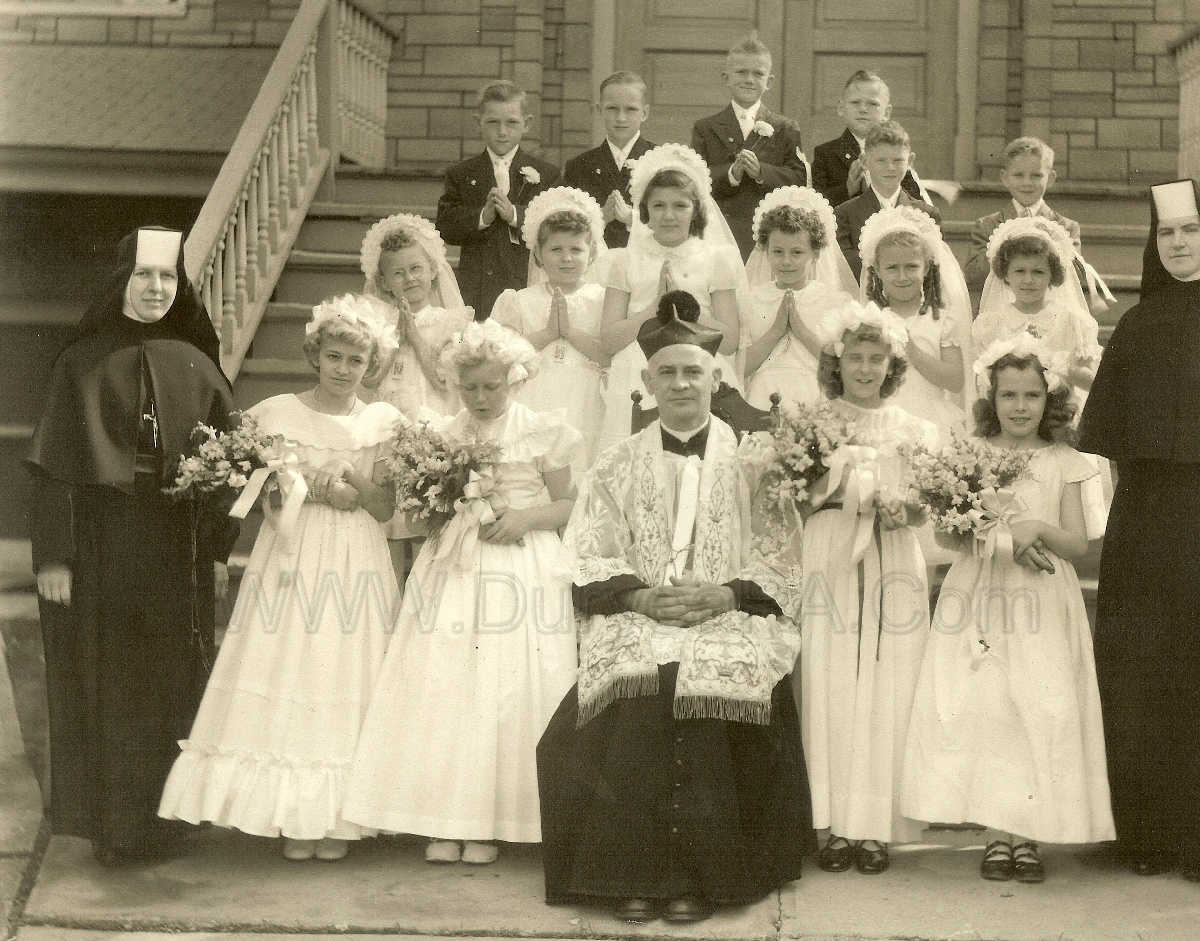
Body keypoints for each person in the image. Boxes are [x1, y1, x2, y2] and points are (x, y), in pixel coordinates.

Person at [537, 304, 812, 924]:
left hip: (730, 612)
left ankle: (698, 877)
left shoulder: (756, 462)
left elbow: (780, 552)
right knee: (642, 687)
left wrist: (725, 594)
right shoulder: (615, 463)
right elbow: (589, 549)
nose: (682, 384)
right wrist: (636, 596)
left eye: (694, 372)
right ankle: (629, 875)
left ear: (717, 380)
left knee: (708, 685)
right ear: (647, 384)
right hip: (639, 611)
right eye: (668, 373)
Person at [158, 294, 402, 863]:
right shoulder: (274, 413)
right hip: (292, 553)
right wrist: (295, 486)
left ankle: (341, 816)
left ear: (372, 367)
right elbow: (254, 493)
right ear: (315, 355)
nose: (344, 370)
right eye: (335, 356)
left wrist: (353, 490)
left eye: (356, 362)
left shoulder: (382, 422)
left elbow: (387, 507)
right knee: (292, 664)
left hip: (355, 557)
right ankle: (292, 815)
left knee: (343, 668)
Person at [26, 227, 239, 866]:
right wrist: (55, 557)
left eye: (167, 278)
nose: (155, 289)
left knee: (168, 677)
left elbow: (230, 467)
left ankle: (167, 819)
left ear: (181, 287)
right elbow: (53, 466)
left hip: (175, 545)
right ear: (121, 282)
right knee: (109, 679)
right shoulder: (80, 361)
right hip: (99, 543)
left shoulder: (196, 363)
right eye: (143, 277)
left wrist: (220, 548)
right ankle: (116, 828)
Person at [342, 319, 581, 867]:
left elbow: (573, 505)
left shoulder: (542, 429)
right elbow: (423, 510)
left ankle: (497, 819)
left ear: (513, 380)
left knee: (507, 685)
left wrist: (525, 518)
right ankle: (445, 817)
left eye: (491, 386)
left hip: (521, 565)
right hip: (454, 568)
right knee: (448, 683)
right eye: (469, 387)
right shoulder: (443, 435)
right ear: (453, 385)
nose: (479, 397)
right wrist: (442, 508)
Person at [902, 336, 1115, 884]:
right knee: (989, 708)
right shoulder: (972, 455)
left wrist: (1037, 528)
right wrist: (988, 528)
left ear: (1051, 401)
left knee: (1040, 706)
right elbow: (950, 537)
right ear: (990, 399)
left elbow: (1076, 546)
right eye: (1008, 395)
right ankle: (997, 834)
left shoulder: (1066, 462)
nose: (1020, 407)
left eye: (1032, 395)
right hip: (981, 595)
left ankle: (1030, 836)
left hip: (1042, 600)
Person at [1077, 178, 1200, 881]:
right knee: (1146, 668)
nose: (1178, 244)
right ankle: (1149, 831)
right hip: (1149, 521)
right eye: (1167, 234)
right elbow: (1113, 437)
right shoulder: (1137, 326)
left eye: (1190, 231)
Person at [800, 302, 937, 877]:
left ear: (892, 364)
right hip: (830, 551)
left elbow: (930, 502)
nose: (863, 368)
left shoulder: (914, 429)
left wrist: (899, 507)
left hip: (892, 555)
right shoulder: (813, 421)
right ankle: (830, 825)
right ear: (836, 362)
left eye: (875, 358)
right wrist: (837, 498)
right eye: (853, 357)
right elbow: (794, 496)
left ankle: (877, 826)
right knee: (830, 676)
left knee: (888, 679)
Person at [597, 142, 746, 454]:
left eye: (680, 206)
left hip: (698, 369)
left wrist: (685, 308)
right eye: (659, 206)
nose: (669, 215)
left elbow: (730, 341)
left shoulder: (717, 258)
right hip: (637, 374)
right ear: (645, 211)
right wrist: (652, 311)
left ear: (696, 211)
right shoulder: (624, 260)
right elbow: (609, 341)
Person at [973, 215, 1109, 538]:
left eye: (1038, 272)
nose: (1029, 280)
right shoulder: (991, 324)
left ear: (1053, 275)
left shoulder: (1073, 322)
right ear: (1005, 274)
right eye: (1019, 271)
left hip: (1058, 426)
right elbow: (983, 384)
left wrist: (1064, 369)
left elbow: (1094, 381)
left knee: (1056, 512)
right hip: (1010, 427)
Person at [492, 186, 609, 472]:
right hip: (534, 396)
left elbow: (609, 356)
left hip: (584, 399)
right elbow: (501, 361)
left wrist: (569, 332)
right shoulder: (519, 301)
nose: (566, 258)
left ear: (591, 253)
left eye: (576, 249)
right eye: (556, 249)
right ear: (539, 255)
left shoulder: (602, 298)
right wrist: (547, 334)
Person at [435, 80, 560, 320]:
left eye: (511, 123)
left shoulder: (546, 174)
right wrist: (482, 217)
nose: (502, 132)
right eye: (493, 122)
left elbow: (553, 225)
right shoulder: (462, 173)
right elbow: (446, 227)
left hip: (524, 284)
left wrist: (515, 214)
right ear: (478, 123)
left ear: (527, 124)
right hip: (477, 289)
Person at [690, 34, 808, 259]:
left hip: (768, 233)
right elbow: (694, 180)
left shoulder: (784, 128)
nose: (749, 79)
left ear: (769, 82)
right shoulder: (706, 127)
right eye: (741, 72)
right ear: (726, 78)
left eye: (758, 73)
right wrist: (731, 174)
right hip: (721, 231)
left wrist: (761, 172)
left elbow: (798, 179)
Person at [859, 204, 971, 439]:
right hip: (882, 420)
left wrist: (911, 349)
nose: (902, 277)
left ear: (927, 267)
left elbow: (956, 381)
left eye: (911, 267)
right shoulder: (868, 318)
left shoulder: (940, 317)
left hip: (931, 421)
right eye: (892, 268)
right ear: (877, 270)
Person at [741, 185, 857, 409]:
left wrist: (801, 331)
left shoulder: (835, 301)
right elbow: (740, 367)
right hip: (763, 398)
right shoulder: (752, 299)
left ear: (815, 253)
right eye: (777, 252)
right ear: (765, 251)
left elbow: (841, 366)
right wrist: (775, 331)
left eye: (797, 252)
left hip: (815, 397)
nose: (786, 261)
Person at [359, 212, 473, 420]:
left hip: (431, 413)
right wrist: (397, 340)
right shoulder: (378, 322)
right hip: (386, 413)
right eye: (398, 273)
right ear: (384, 283)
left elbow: (444, 382)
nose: (410, 278)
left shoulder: (449, 322)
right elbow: (367, 380)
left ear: (431, 271)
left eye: (416, 269)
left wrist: (415, 337)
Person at [963, 138, 1083, 294]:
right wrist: (1003, 240)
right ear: (1005, 177)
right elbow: (974, 277)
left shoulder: (1065, 227)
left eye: (1036, 176)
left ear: (1051, 178)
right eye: (1019, 175)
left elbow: (1077, 277)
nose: (1027, 183)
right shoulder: (987, 225)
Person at [834, 121, 941, 280]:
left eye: (898, 160)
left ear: (910, 161)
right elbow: (844, 267)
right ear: (864, 161)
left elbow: (932, 268)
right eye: (881, 160)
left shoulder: (926, 214)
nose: (890, 167)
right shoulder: (845, 214)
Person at [563, 71, 656, 250]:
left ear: (644, 112)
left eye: (631, 109)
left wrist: (632, 218)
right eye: (612, 108)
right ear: (599, 110)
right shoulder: (579, 167)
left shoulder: (659, 160)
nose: (621, 118)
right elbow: (566, 226)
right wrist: (600, 217)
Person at [811, 70, 923, 209]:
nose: (863, 109)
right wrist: (847, 189)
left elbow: (915, 198)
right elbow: (817, 204)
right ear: (841, 107)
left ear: (887, 112)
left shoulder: (896, 153)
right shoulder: (826, 154)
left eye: (872, 104)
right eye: (855, 102)